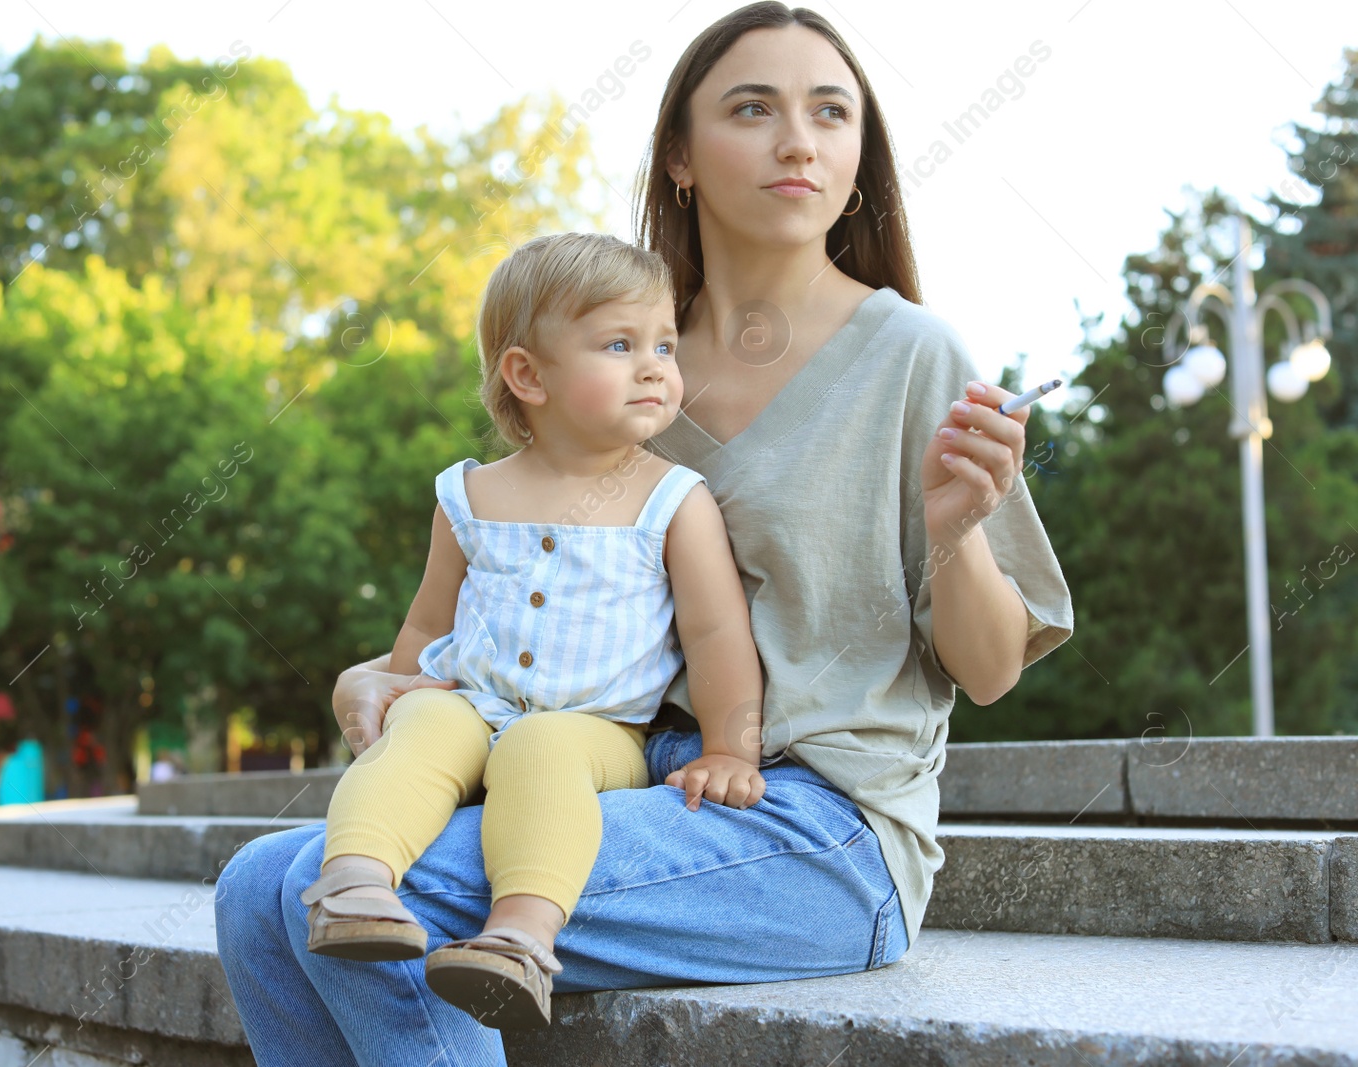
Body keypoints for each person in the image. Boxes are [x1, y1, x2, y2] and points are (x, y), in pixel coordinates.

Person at [214, 5, 1074, 1064]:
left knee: (334, 883)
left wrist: (955, 533)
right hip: (605, 769)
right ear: (678, 155)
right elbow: (526, 595)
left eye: (831, 113)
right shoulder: (623, 360)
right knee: (255, 884)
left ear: (858, 159)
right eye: (752, 108)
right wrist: (386, 679)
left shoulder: (913, 352)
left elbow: (987, 672)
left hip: (821, 829)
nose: (797, 139)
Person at [298, 231, 765, 1030]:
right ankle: (356, 885)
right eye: (620, 344)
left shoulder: (673, 500)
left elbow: (719, 635)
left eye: (663, 344)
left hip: (595, 730)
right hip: (472, 703)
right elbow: (428, 618)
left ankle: (520, 938)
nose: (655, 365)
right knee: (423, 723)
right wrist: (405, 684)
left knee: (542, 744)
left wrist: (728, 749)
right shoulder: (470, 495)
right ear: (527, 374)